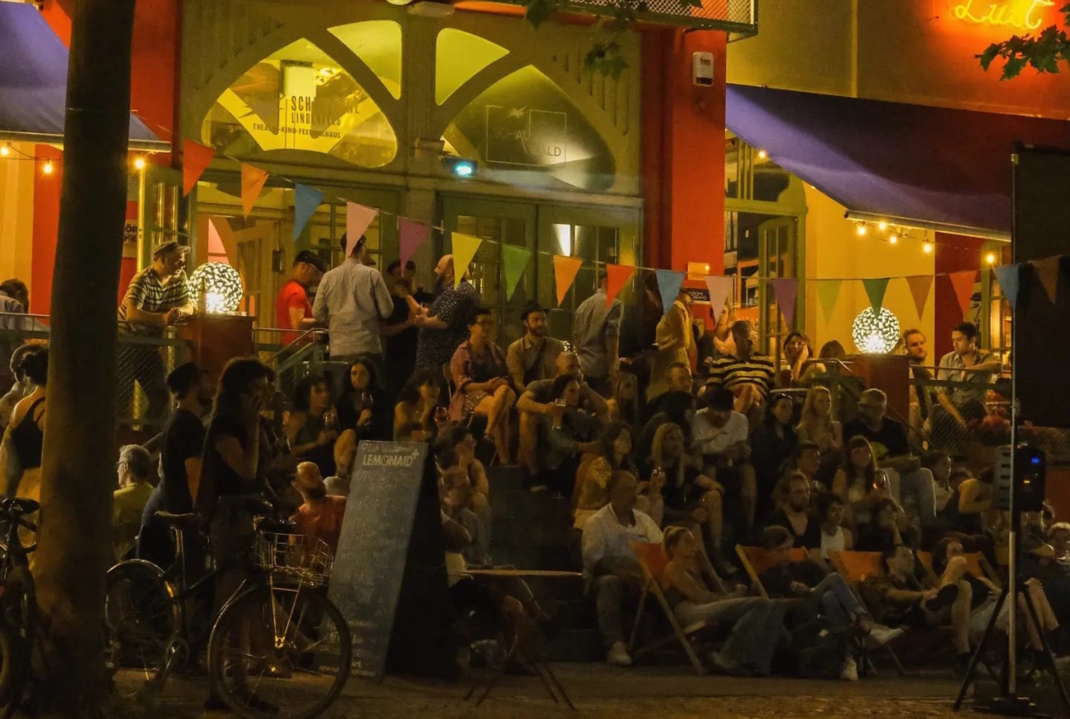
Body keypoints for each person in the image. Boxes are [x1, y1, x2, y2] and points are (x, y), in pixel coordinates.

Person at [757, 526, 902, 681]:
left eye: (787, 549)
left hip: (822, 612)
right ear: (768, 553)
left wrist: (811, 591)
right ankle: (867, 624)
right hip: (799, 618)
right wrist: (805, 594)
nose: (785, 554)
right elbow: (775, 608)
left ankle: (847, 659)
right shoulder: (767, 577)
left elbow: (828, 591)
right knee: (834, 578)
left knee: (830, 597)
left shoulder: (805, 567)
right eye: (779, 551)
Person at [663, 526, 787, 676]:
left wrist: (734, 594)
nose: (693, 545)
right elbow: (700, 597)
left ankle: (760, 663)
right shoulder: (673, 568)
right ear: (672, 547)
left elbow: (714, 592)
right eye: (687, 542)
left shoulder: (698, 568)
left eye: (693, 541)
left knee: (775, 604)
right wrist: (730, 598)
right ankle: (727, 656)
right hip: (688, 610)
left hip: (706, 606)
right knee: (760, 603)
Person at [581, 471, 663, 667]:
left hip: (641, 579)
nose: (633, 496)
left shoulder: (644, 521)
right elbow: (597, 561)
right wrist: (623, 573)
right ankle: (614, 645)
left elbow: (659, 548)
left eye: (633, 490)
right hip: (606, 581)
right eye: (626, 491)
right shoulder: (596, 523)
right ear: (612, 493)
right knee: (610, 583)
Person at [138, 362, 213, 568]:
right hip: (174, 515)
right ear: (192, 386)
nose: (210, 385)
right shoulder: (189, 425)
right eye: (204, 381)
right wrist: (203, 514)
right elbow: (193, 474)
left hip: (161, 511)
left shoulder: (177, 421)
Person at [862, 545, 974, 671]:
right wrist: (924, 594)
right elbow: (894, 596)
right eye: (905, 556)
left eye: (912, 557)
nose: (911, 560)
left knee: (963, 582)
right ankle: (964, 654)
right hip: (901, 618)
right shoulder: (877, 579)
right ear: (890, 561)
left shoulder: (915, 582)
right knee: (956, 572)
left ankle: (964, 654)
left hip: (926, 613)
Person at [117, 240, 194, 424]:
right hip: (126, 340)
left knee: (161, 395)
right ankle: (119, 437)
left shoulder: (179, 277)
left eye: (182, 260)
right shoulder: (143, 279)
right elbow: (131, 314)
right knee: (122, 394)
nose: (182, 265)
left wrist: (179, 312)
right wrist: (162, 319)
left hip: (149, 345)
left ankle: (150, 439)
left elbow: (190, 305)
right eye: (177, 260)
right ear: (161, 260)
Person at [844, 388, 936, 531]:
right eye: (860, 405)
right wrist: (890, 463)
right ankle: (896, 520)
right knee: (887, 473)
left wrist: (910, 463)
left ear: (879, 409)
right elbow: (855, 460)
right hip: (870, 475)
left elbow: (905, 455)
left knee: (925, 474)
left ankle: (929, 526)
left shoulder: (894, 428)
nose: (860, 410)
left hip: (898, 473)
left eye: (865, 407)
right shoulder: (852, 428)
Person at [515, 351, 607, 475]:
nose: (576, 371)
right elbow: (521, 403)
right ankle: (534, 473)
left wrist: (586, 390)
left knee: (609, 410)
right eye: (571, 367)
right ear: (558, 369)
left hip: (573, 442)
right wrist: (546, 409)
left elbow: (603, 409)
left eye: (579, 367)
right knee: (526, 418)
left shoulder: (578, 390)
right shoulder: (550, 392)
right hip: (555, 451)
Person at [312, 235, 394, 366]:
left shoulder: (328, 277)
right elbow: (387, 311)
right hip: (368, 346)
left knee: (342, 385)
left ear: (342, 248)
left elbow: (317, 313)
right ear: (362, 248)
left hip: (340, 347)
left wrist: (335, 316)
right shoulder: (373, 275)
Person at [449, 306, 515, 464]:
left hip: (497, 392)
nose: (487, 327)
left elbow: (506, 375)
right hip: (472, 394)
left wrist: (500, 383)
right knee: (501, 411)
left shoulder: (495, 350)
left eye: (489, 323)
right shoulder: (462, 352)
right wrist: (486, 386)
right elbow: (462, 385)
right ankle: (505, 460)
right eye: (482, 322)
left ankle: (489, 431)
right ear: (471, 326)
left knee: (505, 391)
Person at [691, 386, 757, 537]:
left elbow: (741, 448)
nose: (721, 416)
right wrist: (719, 454)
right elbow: (697, 452)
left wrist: (742, 452)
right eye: (717, 411)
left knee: (749, 472)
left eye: (725, 412)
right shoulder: (697, 420)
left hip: (732, 465)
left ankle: (748, 528)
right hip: (708, 466)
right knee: (710, 471)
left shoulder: (740, 420)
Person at [932, 322, 1001, 449]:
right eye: (953, 340)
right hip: (954, 405)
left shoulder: (984, 356)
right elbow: (941, 392)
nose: (954, 344)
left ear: (972, 340)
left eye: (959, 340)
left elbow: (997, 365)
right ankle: (943, 454)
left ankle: (956, 453)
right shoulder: (947, 359)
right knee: (940, 415)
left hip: (975, 406)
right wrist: (958, 418)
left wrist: (971, 369)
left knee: (972, 405)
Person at [536, 374, 600, 495]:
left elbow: (602, 413)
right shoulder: (556, 412)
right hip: (558, 466)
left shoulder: (578, 413)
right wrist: (583, 446)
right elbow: (558, 442)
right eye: (571, 391)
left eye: (577, 392)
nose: (576, 395)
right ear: (560, 393)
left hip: (574, 461)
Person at [414, 254, 479, 372]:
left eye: (439, 267)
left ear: (449, 272)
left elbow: (443, 321)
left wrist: (424, 322)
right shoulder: (458, 289)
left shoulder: (457, 291)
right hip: (441, 360)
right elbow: (447, 314)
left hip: (442, 361)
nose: (435, 271)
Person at [705, 320, 776, 428]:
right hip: (732, 402)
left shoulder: (766, 362)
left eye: (754, 339)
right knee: (754, 408)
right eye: (747, 340)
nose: (752, 343)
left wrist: (745, 389)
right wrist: (733, 390)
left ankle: (730, 429)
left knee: (750, 389)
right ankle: (742, 439)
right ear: (736, 339)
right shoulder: (722, 363)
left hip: (762, 401)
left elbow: (774, 391)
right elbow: (710, 393)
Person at [1, 348, 47, 503]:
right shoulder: (54, 410)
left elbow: (7, 461)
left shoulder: (19, 407)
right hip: (44, 494)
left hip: (21, 491)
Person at [573, 422, 638, 529]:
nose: (627, 441)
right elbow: (615, 491)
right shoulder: (600, 464)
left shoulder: (630, 467)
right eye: (622, 437)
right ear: (610, 441)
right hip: (591, 513)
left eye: (629, 438)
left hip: (614, 511)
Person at [572, 271, 623, 394]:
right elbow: (611, 336)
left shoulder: (582, 306)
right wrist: (612, 366)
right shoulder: (615, 304)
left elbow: (575, 336)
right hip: (601, 368)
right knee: (603, 407)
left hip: (582, 366)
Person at [751, 394, 798, 521]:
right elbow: (761, 459)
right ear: (772, 409)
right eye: (783, 407)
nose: (788, 412)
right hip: (766, 477)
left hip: (786, 474)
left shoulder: (791, 433)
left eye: (790, 408)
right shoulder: (763, 432)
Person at [285, 375, 338, 478]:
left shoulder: (328, 416)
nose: (324, 395)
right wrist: (316, 444)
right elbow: (289, 450)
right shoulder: (298, 419)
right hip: (306, 466)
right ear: (307, 396)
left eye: (326, 390)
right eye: (318, 392)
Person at [506, 301, 566, 389]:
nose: (541, 323)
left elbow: (563, 376)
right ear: (526, 322)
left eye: (543, 319)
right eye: (536, 320)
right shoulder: (516, 349)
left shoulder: (557, 346)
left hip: (553, 394)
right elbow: (518, 383)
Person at [647, 288, 693, 402]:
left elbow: (681, 340)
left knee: (667, 398)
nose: (648, 297)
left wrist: (659, 350)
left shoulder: (673, 308)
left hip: (671, 360)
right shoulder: (675, 308)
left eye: (649, 292)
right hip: (668, 359)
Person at [290, 461, 347, 553]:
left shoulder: (340, 504)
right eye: (311, 477)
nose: (319, 479)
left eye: (318, 474)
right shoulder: (297, 519)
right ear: (297, 485)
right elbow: (296, 559)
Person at [274, 250, 326, 346]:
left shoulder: (286, 288)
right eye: (316, 274)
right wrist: (323, 320)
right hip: (299, 348)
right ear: (304, 267)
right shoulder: (297, 291)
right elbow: (298, 323)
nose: (318, 280)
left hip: (287, 345)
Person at [113, 444, 156, 560]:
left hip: (122, 564)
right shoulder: (155, 496)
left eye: (119, 465)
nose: (117, 470)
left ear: (125, 466)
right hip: (152, 561)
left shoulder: (116, 499)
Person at [381, 274, 418, 399]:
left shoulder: (417, 302)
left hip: (411, 357)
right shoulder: (390, 304)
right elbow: (384, 331)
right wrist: (407, 324)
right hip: (396, 357)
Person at [334, 357, 387, 442]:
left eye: (363, 373)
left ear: (370, 376)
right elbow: (344, 435)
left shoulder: (381, 397)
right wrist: (360, 423)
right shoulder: (343, 400)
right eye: (354, 374)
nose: (358, 377)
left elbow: (386, 429)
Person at [763, 472, 820, 548]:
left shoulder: (813, 522)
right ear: (786, 495)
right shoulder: (775, 520)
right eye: (798, 492)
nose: (805, 496)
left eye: (807, 491)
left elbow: (816, 555)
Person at [900, 329, 933, 438]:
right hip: (914, 420)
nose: (920, 347)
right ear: (906, 349)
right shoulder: (912, 366)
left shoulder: (918, 368)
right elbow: (937, 387)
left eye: (922, 343)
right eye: (914, 345)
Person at [394, 368, 443, 442]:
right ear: (418, 387)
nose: (435, 389)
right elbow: (410, 436)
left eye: (437, 386)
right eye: (430, 385)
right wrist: (426, 413)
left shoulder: (438, 411)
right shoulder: (403, 407)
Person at [796, 386, 843, 455]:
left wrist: (831, 443)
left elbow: (841, 452)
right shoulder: (803, 429)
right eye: (820, 401)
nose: (826, 404)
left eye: (828, 401)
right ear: (812, 403)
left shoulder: (836, 426)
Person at [815, 492, 854, 559]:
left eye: (840, 509)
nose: (838, 514)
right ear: (824, 513)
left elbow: (850, 560)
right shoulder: (815, 533)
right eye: (833, 510)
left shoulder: (846, 534)